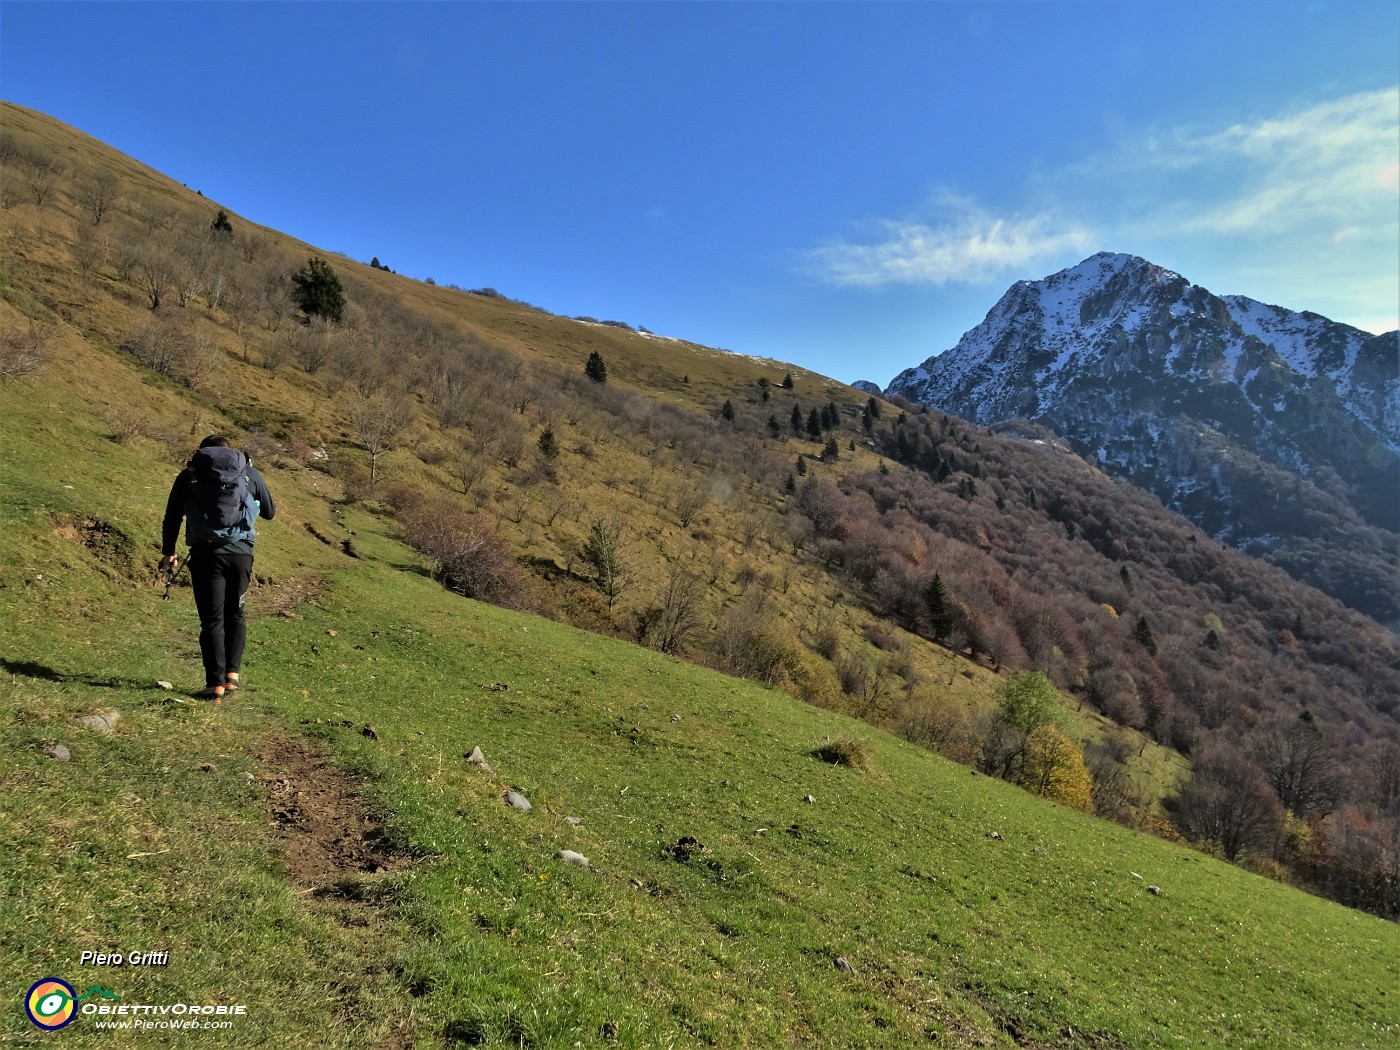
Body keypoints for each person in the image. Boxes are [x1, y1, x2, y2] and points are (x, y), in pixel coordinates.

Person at [159, 436, 275, 701]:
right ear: (230, 451)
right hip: (241, 554)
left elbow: (173, 515)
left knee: (212, 619)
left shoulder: (190, 474)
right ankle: (232, 675)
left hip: (206, 554)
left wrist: (169, 551)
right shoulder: (249, 473)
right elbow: (269, 512)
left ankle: (215, 684)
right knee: (236, 613)